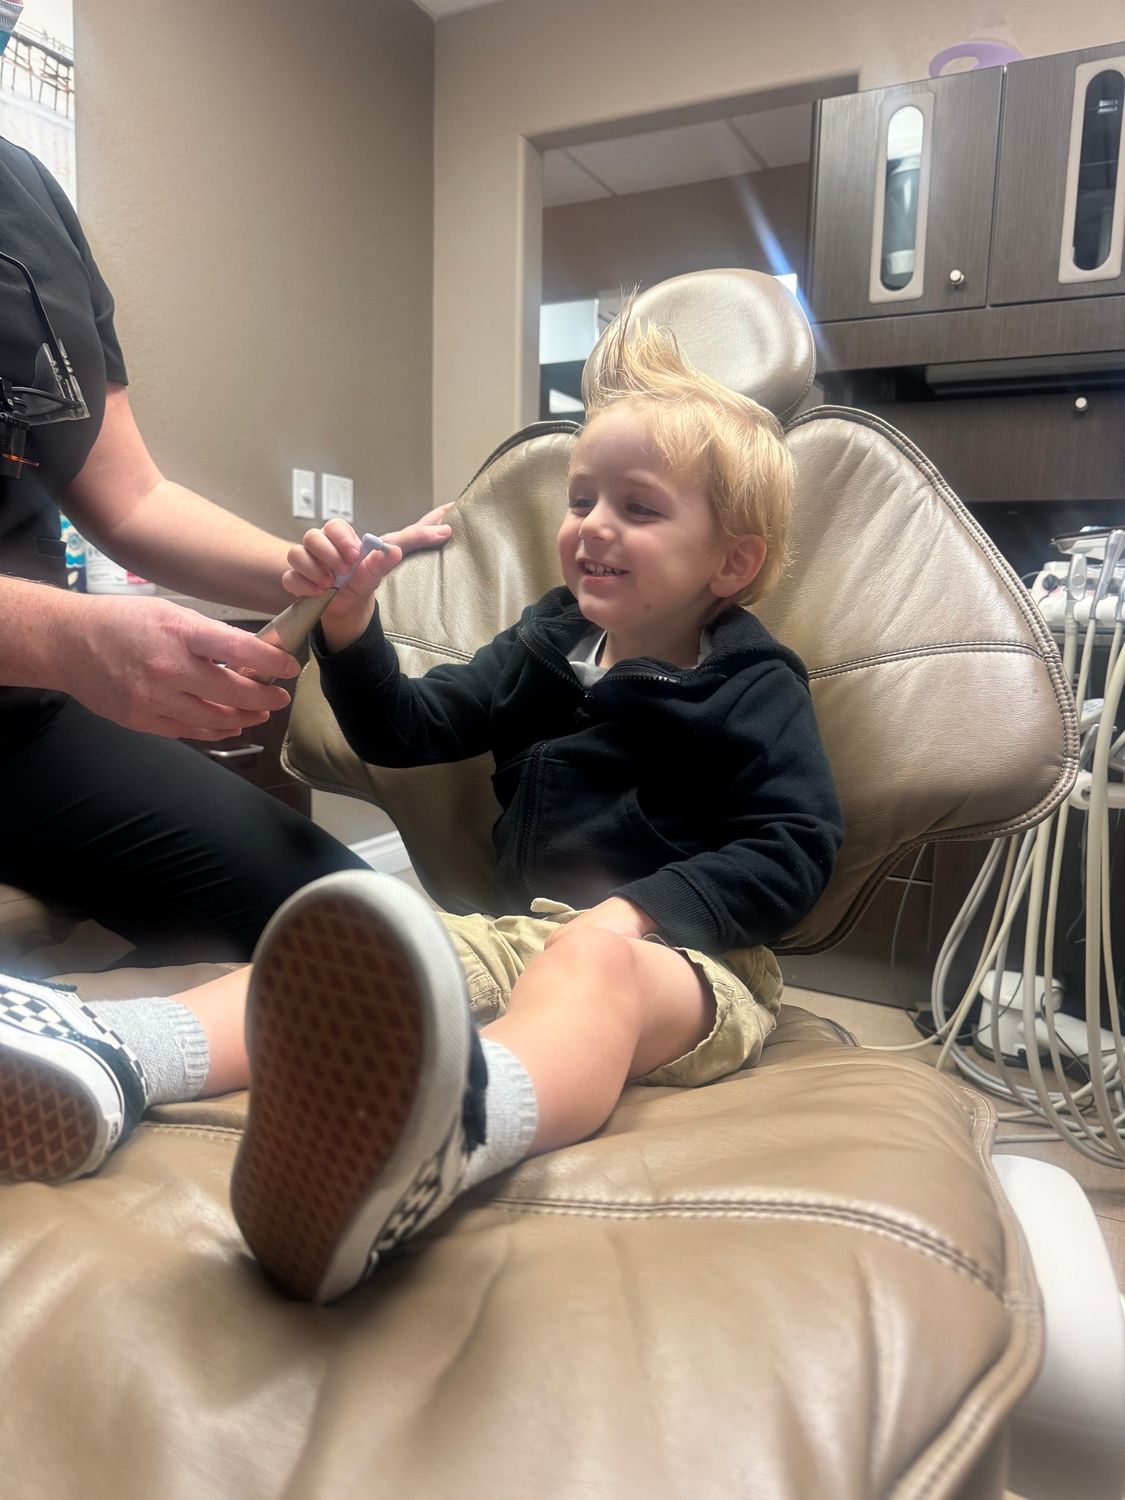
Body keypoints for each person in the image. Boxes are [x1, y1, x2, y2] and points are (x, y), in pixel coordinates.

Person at [0, 307, 844, 1305]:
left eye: (639, 508)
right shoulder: (554, 641)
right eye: (582, 499)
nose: (591, 526)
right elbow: (411, 728)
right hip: (527, 933)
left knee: (592, 964)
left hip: (699, 965)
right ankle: (121, 1053)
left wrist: (637, 913)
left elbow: (798, 846)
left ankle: (461, 1127)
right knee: (361, 950)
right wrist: (352, 630)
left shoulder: (755, 686)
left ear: (731, 565)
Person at [0, 12, 453, 961]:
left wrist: (320, 573)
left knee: (373, 940)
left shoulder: (29, 198)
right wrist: (70, 641)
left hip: (21, 724)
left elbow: (130, 500)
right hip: (44, 666)